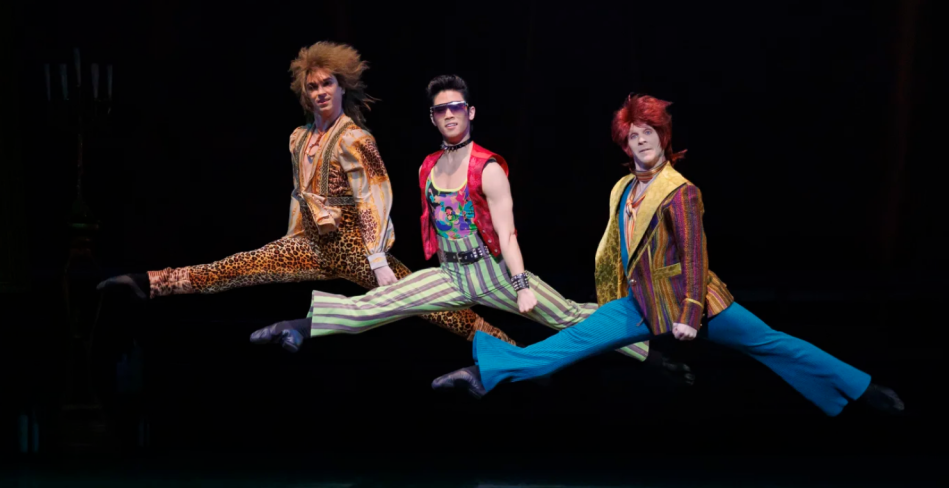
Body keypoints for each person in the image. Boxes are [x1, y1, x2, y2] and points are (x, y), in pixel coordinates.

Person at [432, 94, 904, 417]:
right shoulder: (623, 187)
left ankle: (863, 389)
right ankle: (481, 372)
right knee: (570, 344)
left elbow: (696, 258)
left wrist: (690, 313)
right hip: (639, 303)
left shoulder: (679, 191)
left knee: (770, 343)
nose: (641, 140)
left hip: (694, 300)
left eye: (648, 132)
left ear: (662, 135)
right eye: (632, 135)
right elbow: (617, 249)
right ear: (624, 142)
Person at [97, 43, 512, 348]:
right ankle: (148, 283)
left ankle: (509, 348)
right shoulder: (299, 138)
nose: (320, 92)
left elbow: (375, 196)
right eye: (313, 86)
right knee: (235, 267)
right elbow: (300, 195)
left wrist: (377, 258)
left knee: (433, 307)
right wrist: (292, 235)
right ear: (305, 92)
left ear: (341, 86)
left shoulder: (355, 138)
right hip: (310, 244)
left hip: (354, 246)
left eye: (327, 83)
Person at [249, 76, 651, 365]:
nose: (449, 115)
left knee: (565, 314)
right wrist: (381, 262)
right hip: (450, 274)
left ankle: (645, 341)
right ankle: (300, 326)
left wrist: (521, 285)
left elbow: (507, 234)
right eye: (441, 109)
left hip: (494, 272)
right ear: (433, 117)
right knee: (380, 303)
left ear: (470, 112)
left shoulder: (488, 167)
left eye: (456, 107)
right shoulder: (428, 167)